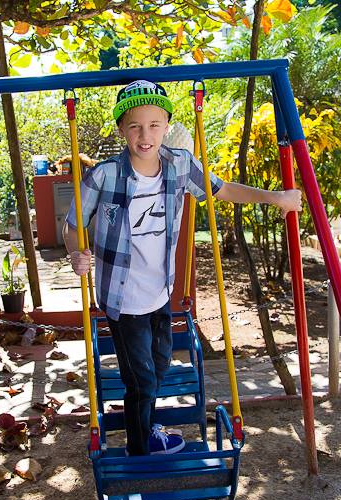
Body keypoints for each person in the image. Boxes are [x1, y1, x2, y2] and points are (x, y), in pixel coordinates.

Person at [63, 79, 302, 457]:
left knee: (159, 365)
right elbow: (73, 224)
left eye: (154, 125)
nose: (145, 136)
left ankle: (146, 425)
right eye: (135, 126)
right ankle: (140, 447)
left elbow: (222, 189)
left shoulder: (180, 165)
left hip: (161, 293)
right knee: (140, 381)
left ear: (166, 126)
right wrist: (76, 252)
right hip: (122, 299)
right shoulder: (105, 175)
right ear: (121, 129)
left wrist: (276, 198)